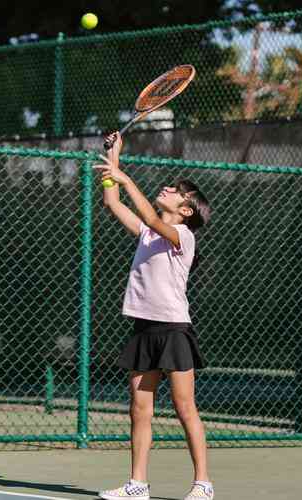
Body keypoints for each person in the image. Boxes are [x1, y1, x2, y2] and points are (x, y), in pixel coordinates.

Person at [95, 132, 214, 500]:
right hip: (143, 328)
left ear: (186, 210)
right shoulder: (149, 235)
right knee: (139, 409)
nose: (168, 188)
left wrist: (126, 175)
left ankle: (203, 483)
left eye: (177, 190)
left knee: (184, 407)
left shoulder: (183, 236)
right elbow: (113, 203)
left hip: (174, 331)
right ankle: (137, 485)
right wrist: (114, 160)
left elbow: (148, 213)